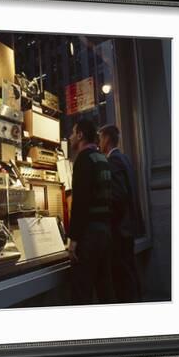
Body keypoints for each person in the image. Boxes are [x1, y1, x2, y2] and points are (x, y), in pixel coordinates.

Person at [67, 119, 115, 304]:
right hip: (104, 232)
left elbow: (80, 203)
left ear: (80, 135)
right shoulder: (102, 158)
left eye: (73, 133)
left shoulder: (83, 159)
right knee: (105, 288)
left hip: (88, 236)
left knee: (82, 293)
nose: (70, 137)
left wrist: (73, 240)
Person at [98, 124, 142, 302]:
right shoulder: (124, 158)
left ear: (107, 139)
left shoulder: (112, 161)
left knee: (122, 279)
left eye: (100, 138)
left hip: (119, 231)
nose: (99, 143)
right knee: (130, 274)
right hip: (129, 228)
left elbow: (118, 195)